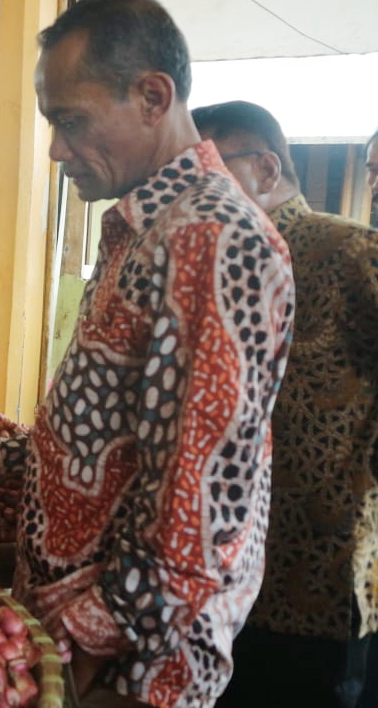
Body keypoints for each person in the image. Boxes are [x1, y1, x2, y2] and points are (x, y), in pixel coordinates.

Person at [0, 0, 294, 708]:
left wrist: (87, 641)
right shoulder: (146, 226)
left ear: (152, 96)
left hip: (132, 660)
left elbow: (202, 502)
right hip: (79, 630)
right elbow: (106, 430)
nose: (54, 148)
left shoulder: (210, 238)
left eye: (70, 121)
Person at [190, 102, 378, 708]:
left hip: (313, 581)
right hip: (215, 571)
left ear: (266, 170)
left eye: (205, 175)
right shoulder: (210, 266)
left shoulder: (348, 254)